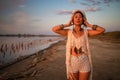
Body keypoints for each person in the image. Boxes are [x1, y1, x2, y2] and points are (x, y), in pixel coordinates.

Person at [52, 10, 105, 80]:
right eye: (76, 17)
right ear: (73, 20)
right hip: (72, 62)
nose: (78, 19)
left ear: (83, 20)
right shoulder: (68, 32)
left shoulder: (86, 32)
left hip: (84, 61)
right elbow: (54, 29)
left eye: (80, 17)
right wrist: (67, 24)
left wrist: (89, 25)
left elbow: (102, 30)